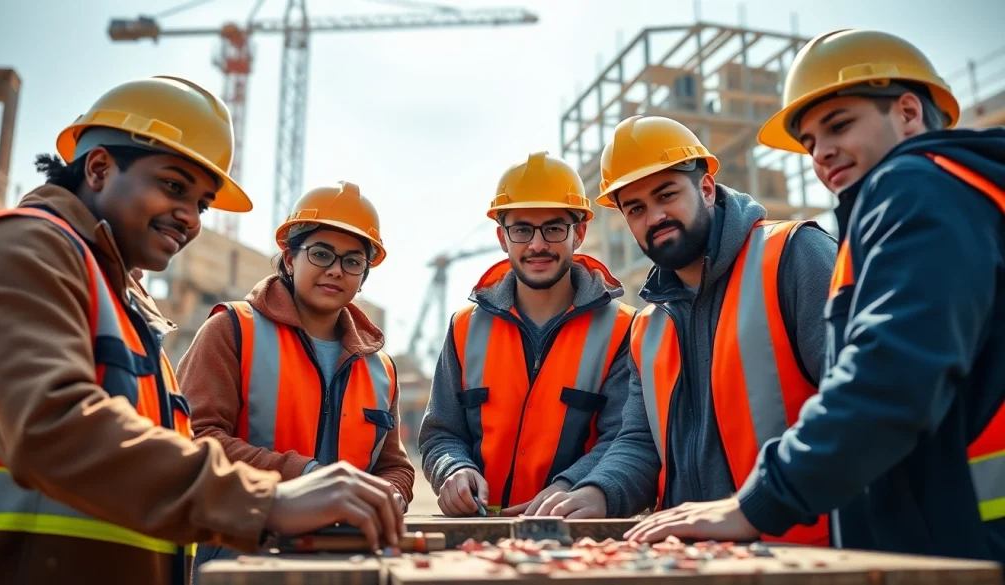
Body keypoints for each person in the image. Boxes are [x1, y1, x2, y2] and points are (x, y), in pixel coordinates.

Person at [0, 76, 403, 585]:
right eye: (174, 186)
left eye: (201, 203)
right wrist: (270, 497)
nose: (190, 217)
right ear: (98, 168)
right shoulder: (26, 249)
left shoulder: (125, 303)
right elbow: (54, 426)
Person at [622, 29, 1005, 564]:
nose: (822, 153)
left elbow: (887, 378)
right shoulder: (952, 194)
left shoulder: (916, 192)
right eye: (809, 141)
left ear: (909, 112)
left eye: (839, 125)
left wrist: (759, 501)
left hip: (955, 540)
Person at [533, 116, 837, 546]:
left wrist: (757, 504)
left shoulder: (794, 256)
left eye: (667, 194)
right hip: (692, 561)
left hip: (807, 557)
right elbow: (640, 443)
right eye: (635, 208)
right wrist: (597, 490)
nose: (654, 217)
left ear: (707, 189)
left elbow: (855, 409)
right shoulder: (648, 327)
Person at [178, 182, 414, 574]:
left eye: (353, 262)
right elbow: (194, 439)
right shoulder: (233, 330)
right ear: (289, 258)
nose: (336, 270)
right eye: (321, 254)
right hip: (240, 558)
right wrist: (307, 476)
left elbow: (397, 466)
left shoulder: (380, 368)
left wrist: (389, 493)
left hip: (349, 561)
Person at [418, 152, 636, 517]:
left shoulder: (623, 330)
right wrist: (453, 469)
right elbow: (441, 432)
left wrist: (572, 486)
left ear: (579, 234)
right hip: (479, 531)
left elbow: (625, 439)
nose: (537, 245)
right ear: (502, 238)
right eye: (521, 229)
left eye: (553, 228)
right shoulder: (464, 328)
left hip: (580, 533)